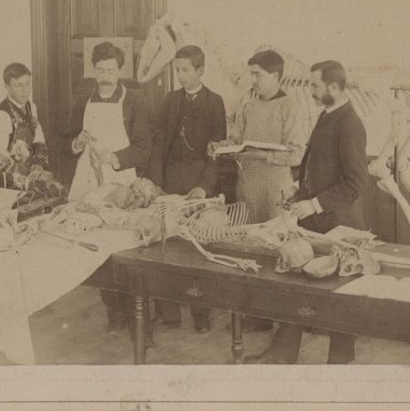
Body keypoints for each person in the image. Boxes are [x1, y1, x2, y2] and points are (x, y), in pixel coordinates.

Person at [245, 60, 369, 364]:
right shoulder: (327, 116)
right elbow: (320, 166)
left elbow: (355, 183)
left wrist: (312, 204)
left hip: (339, 225)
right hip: (317, 220)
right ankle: (282, 352)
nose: (309, 91)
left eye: (315, 85)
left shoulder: (350, 123)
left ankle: (339, 367)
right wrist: (298, 186)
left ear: (334, 87)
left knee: (340, 298)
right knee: (297, 286)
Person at [211, 49, 308, 332]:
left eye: (257, 75)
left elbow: (297, 155)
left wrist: (262, 156)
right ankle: (257, 316)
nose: (252, 79)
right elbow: (237, 140)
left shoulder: (289, 107)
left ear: (275, 76)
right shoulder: (248, 105)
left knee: (278, 249)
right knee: (251, 250)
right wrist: (221, 146)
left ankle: (287, 320)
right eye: (250, 73)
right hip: (248, 188)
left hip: (276, 188)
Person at [63, 40, 153, 332]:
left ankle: (136, 312)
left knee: (127, 248)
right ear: (94, 69)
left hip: (121, 179)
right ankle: (113, 311)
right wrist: (76, 144)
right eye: (100, 69)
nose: (105, 75)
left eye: (111, 69)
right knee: (99, 248)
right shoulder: (82, 99)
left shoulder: (134, 99)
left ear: (120, 69)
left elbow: (143, 147)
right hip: (88, 179)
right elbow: (67, 139)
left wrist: (115, 157)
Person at [148, 44, 227, 332]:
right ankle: (168, 312)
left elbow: (217, 152)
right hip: (169, 180)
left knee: (197, 249)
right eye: (176, 70)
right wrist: (156, 181)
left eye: (185, 70)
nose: (180, 75)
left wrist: (204, 187)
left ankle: (201, 313)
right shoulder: (170, 100)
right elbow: (157, 144)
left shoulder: (214, 102)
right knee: (165, 245)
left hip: (197, 181)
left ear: (200, 70)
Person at [0, 62, 64, 199]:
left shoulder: (30, 106)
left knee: (59, 189)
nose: (25, 90)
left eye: (28, 84)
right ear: (7, 87)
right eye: (18, 85)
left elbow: (39, 139)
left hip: (30, 167)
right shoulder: (1, 116)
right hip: (9, 175)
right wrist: (27, 174)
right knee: (48, 192)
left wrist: (39, 163)